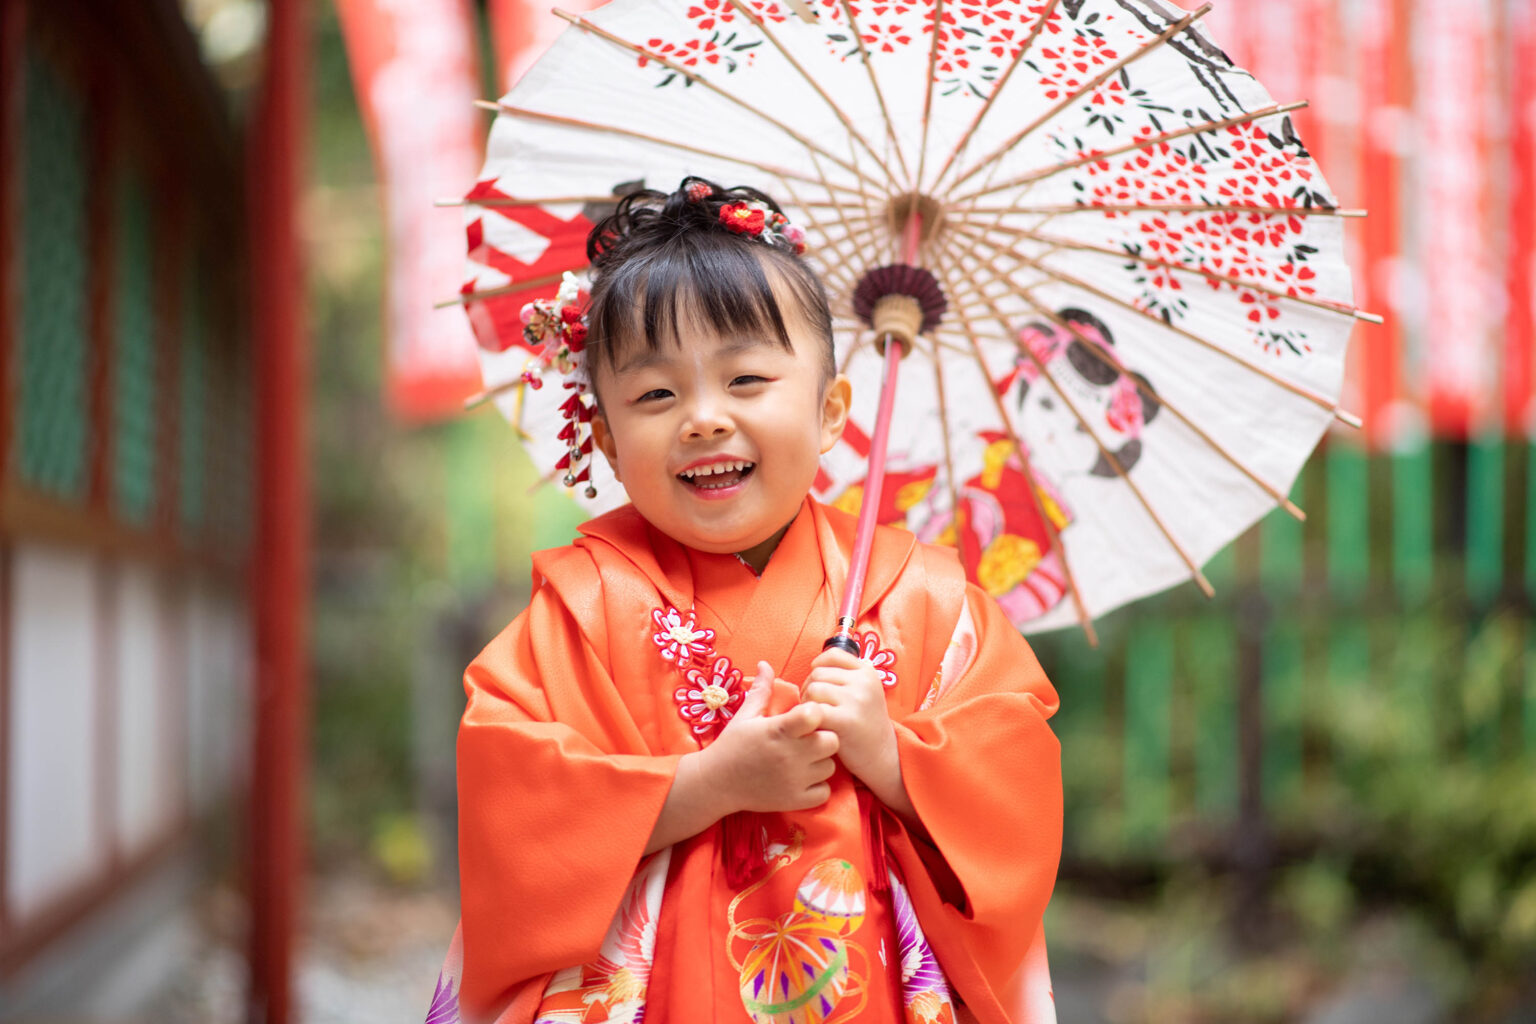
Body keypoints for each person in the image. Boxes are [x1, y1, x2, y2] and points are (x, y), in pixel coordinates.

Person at [425, 177, 1063, 1024]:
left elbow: (1018, 784)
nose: (702, 419)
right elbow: (516, 806)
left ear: (831, 411)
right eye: (656, 394)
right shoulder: (583, 606)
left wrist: (896, 758)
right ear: (608, 440)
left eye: (748, 379)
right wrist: (703, 785)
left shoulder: (926, 600)